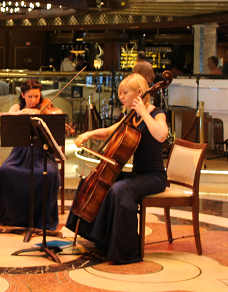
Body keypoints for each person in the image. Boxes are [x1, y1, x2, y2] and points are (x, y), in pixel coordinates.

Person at [66, 73, 168, 264]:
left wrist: (144, 113)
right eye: (120, 93)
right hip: (138, 175)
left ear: (139, 93)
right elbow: (108, 132)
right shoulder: (130, 116)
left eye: (125, 93)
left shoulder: (157, 113)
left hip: (154, 177)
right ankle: (100, 238)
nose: (121, 96)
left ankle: (125, 251)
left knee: (119, 190)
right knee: (96, 179)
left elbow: (161, 135)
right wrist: (88, 134)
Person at [0, 79, 62, 230]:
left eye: (37, 96)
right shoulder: (17, 107)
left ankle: (41, 218)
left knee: (48, 173)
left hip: (42, 153)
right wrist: (24, 112)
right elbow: (8, 115)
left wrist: (47, 112)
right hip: (20, 153)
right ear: (23, 95)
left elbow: (58, 114)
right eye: (30, 97)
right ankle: (14, 216)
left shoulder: (44, 105)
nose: (33, 100)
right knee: (6, 170)